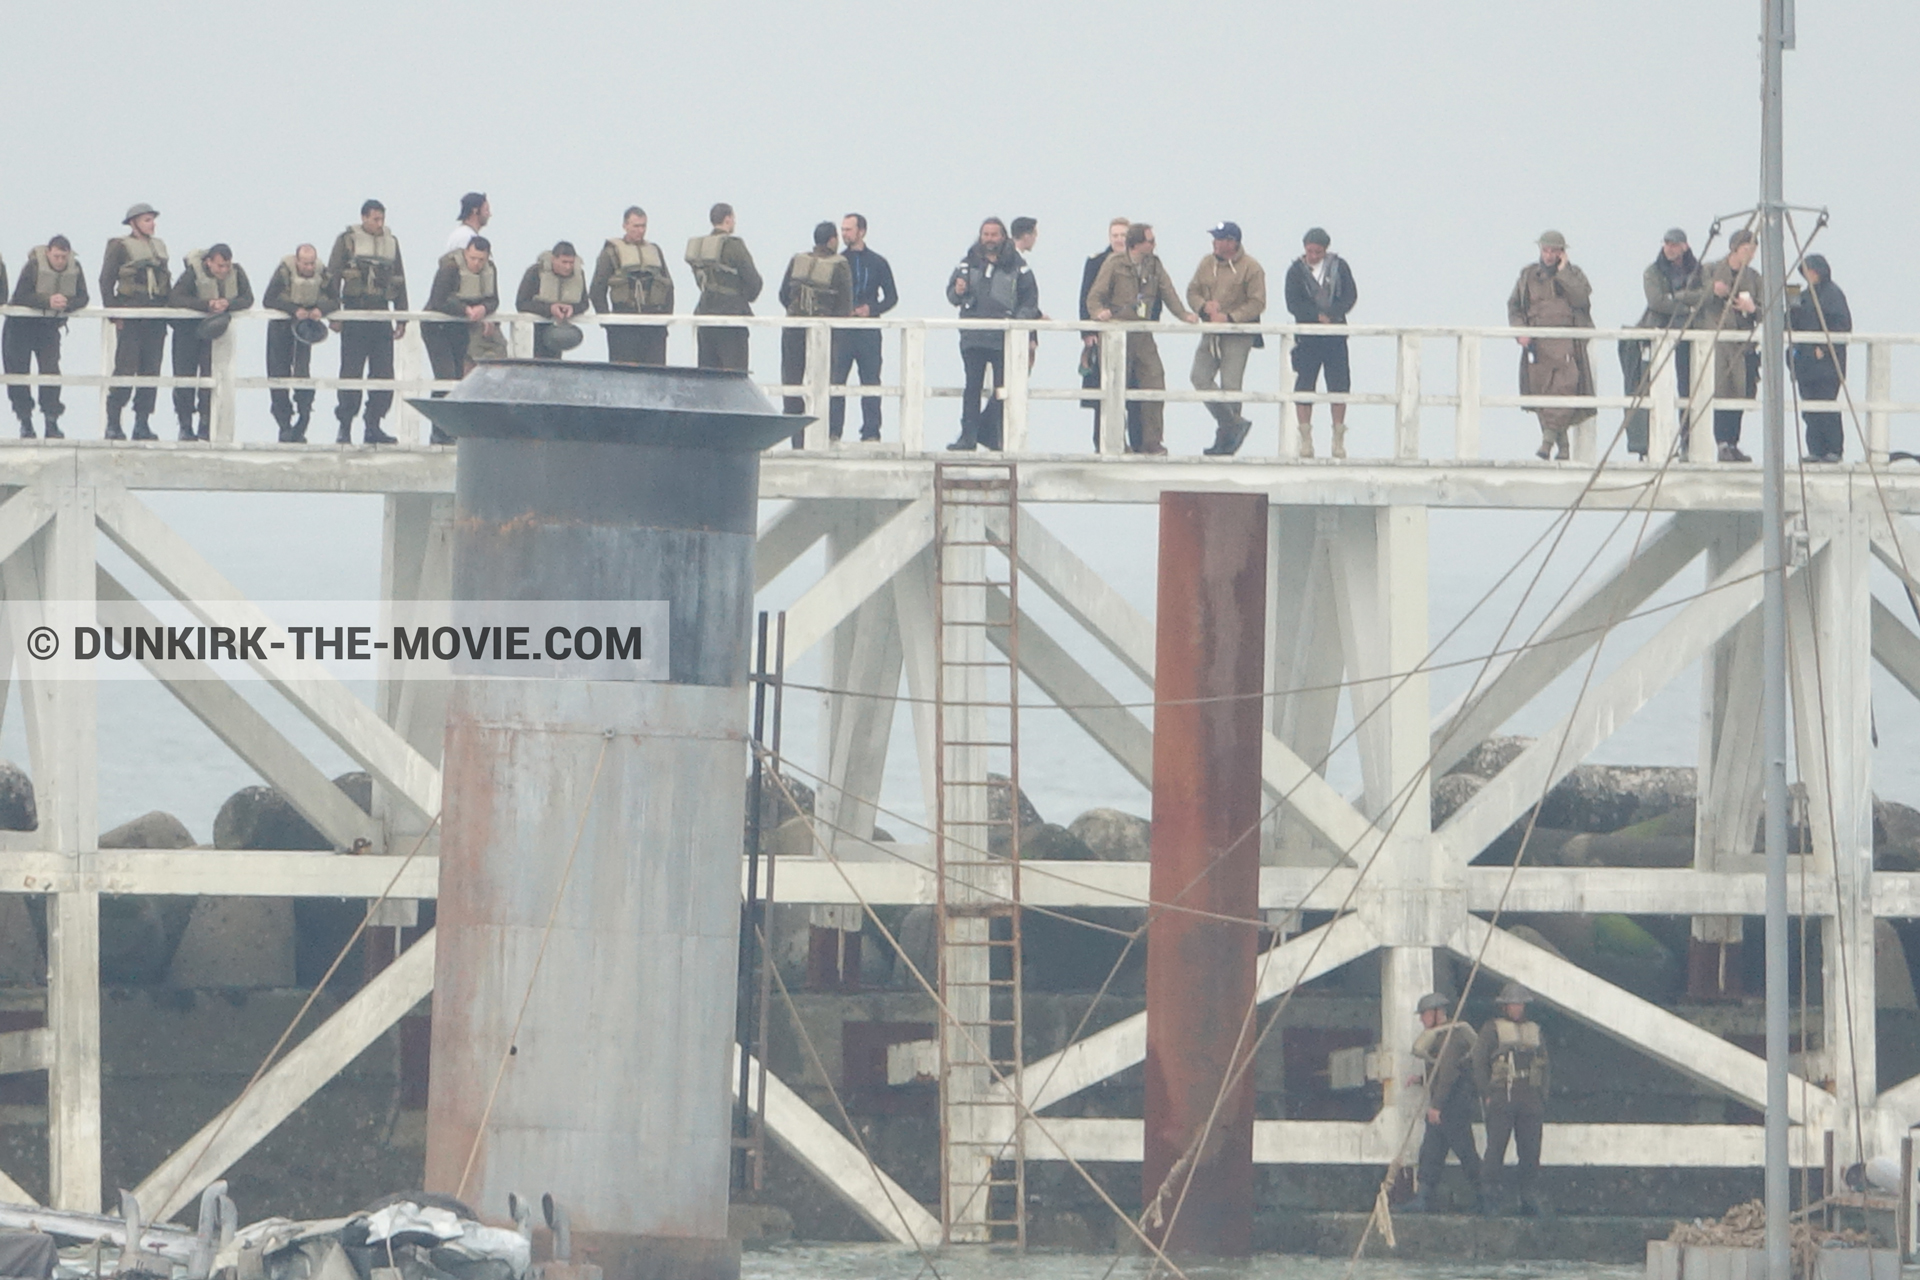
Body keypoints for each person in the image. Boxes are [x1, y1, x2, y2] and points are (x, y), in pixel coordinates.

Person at [1085, 223, 1197, 455]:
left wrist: (1184, 314)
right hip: (1117, 333)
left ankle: (1152, 440)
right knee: (1116, 385)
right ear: (1136, 244)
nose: (1154, 245)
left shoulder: (1154, 265)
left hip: (1143, 334)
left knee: (1154, 381)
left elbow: (1168, 291)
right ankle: (1115, 440)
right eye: (1150, 241)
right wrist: (1098, 313)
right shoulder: (1114, 264)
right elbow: (1094, 296)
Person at [945, 217, 1040, 452]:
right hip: (973, 337)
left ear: (1003, 236)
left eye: (994, 234)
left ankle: (995, 436)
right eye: (985, 234)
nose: (989, 239)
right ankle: (968, 438)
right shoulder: (967, 263)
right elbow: (951, 296)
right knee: (972, 388)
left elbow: (1030, 300)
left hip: (1003, 339)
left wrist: (1018, 325)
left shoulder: (1018, 266)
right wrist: (957, 292)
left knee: (1003, 390)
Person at [1507, 230, 1595, 461]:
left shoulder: (1574, 275)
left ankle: (1547, 442)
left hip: (1567, 345)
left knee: (1565, 390)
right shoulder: (1528, 276)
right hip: (1538, 346)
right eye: (1545, 250)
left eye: (1553, 251)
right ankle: (1563, 447)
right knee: (1543, 393)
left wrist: (1563, 272)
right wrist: (1520, 332)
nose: (1548, 255)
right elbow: (1514, 307)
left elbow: (1581, 299)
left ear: (1562, 253)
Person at [327, 198, 408, 445]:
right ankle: (345, 426)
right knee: (351, 373)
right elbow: (333, 276)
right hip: (354, 314)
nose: (379, 223)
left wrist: (402, 316)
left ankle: (373, 425)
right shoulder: (347, 241)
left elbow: (399, 278)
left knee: (383, 374)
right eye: (375, 219)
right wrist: (335, 313)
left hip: (381, 314)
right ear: (364, 218)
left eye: (382, 219)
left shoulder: (391, 243)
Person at [1621, 228, 1706, 460]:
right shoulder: (1653, 271)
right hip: (1659, 336)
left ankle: (1687, 442)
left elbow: (1705, 296)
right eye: (1667, 243)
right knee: (1654, 387)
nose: (1669, 248)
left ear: (1685, 246)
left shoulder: (1698, 270)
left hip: (1688, 336)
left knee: (1688, 388)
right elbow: (1656, 302)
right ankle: (1651, 445)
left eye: (1674, 244)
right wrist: (1688, 304)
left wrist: (1677, 299)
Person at [1188, 220, 1267, 457]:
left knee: (1231, 388)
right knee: (1199, 378)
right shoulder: (1206, 263)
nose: (1214, 242)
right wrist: (1203, 306)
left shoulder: (1251, 267)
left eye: (1220, 238)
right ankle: (1233, 425)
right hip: (1211, 333)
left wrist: (1230, 317)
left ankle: (1226, 441)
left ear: (1232, 243)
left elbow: (1258, 303)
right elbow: (1192, 291)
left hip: (1238, 334)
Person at [1473, 982, 1550, 1216]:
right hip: (1501, 1095)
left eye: (1520, 1004)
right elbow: (1479, 1062)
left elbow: (1546, 1065)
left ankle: (1528, 1195)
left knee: (1530, 1150)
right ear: (1505, 1006)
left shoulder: (1535, 1030)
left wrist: (1541, 1097)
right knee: (1496, 1148)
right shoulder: (1491, 1029)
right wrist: (1487, 1092)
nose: (1517, 1008)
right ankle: (1489, 1195)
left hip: (1529, 1096)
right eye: (1513, 1004)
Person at [1283, 228, 1359, 458]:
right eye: (1309, 251)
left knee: (1339, 385)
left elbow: (1350, 296)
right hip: (1307, 337)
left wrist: (1334, 315)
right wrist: (1316, 317)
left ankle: (1338, 438)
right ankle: (1306, 439)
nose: (1313, 255)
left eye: (1318, 251)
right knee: (1305, 385)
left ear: (1325, 250)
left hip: (1335, 336)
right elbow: (1293, 303)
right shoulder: (1295, 271)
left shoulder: (1339, 267)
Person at [166, 244, 254, 441]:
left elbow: (248, 298)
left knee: (210, 376)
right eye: (220, 266)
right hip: (187, 332)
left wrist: (228, 304)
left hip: (213, 334)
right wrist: (206, 305)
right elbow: (175, 298)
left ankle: (205, 424)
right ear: (209, 262)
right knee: (184, 377)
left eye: (227, 266)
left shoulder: (237, 273)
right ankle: (185, 425)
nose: (224, 271)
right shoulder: (192, 274)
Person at [1404, 993, 1482, 1214]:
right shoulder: (1441, 1037)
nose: (1422, 1020)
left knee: (1466, 1152)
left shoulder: (1451, 1037)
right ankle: (1423, 1198)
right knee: (1430, 1152)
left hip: (1453, 1106)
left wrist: (1436, 1106)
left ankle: (1486, 1197)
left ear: (1437, 1013)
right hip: (1446, 1104)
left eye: (1425, 1014)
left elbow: (1448, 1073)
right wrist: (1421, 1080)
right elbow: (1440, 1072)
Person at [100, 202, 171, 441]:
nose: (152, 224)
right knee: (125, 368)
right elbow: (106, 280)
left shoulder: (159, 248)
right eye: (146, 220)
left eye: (152, 219)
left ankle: (142, 422)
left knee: (151, 371)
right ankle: (113, 423)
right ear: (133, 223)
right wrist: (114, 313)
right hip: (131, 314)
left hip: (155, 317)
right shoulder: (119, 247)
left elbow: (165, 281)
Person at [4, 236, 87, 439]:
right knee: (18, 374)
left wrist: (67, 303)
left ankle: (51, 421)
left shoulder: (75, 268)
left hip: (48, 329)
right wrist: (46, 300)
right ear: (49, 252)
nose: (60, 261)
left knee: (50, 373)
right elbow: (20, 296)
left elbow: (84, 297)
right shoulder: (33, 267)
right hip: (20, 328)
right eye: (56, 256)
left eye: (63, 257)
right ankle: (25, 422)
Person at [778, 222, 853, 437]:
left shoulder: (797, 260)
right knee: (821, 387)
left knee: (792, 385)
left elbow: (783, 295)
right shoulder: (840, 265)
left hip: (793, 330)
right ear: (832, 240)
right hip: (823, 333)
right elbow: (845, 307)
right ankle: (820, 437)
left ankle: (796, 440)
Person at [1700, 229, 1762, 463]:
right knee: (1720, 390)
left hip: (1742, 345)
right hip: (1717, 343)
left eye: (1754, 250)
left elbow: (1769, 309)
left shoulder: (1754, 278)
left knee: (1740, 392)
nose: (1751, 255)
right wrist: (1713, 291)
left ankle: (1733, 443)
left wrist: (1752, 309)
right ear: (1734, 249)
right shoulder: (1711, 270)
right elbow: (1695, 296)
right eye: (1747, 249)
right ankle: (1721, 443)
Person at [262, 244, 335, 442]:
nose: (309, 268)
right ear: (297, 261)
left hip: (305, 330)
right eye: (305, 264)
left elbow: (336, 300)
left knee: (302, 373)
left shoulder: (323, 274)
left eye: (312, 263)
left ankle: (303, 420)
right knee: (278, 373)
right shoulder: (284, 272)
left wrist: (321, 309)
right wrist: (293, 309)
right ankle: (284, 425)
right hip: (281, 328)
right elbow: (268, 299)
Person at [834, 213, 897, 442]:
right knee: (836, 381)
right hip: (842, 331)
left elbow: (892, 297)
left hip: (869, 332)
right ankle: (833, 431)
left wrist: (871, 309)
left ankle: (871, 432)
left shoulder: (878, 262)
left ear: (862, 231)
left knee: (870, 381)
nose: (844, 234)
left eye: (848, 229)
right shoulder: (838, 261)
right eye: (842, 229)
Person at [590, 206, 674, 366]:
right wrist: (608, 323)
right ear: (625, 226)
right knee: (624, 375)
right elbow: (596, 290)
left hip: (653, 325)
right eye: (636, 226)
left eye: (643, 226)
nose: (640, 231)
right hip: (623, 324)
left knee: (656, 375)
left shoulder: (655, 251)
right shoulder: (611, 252)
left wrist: (665, 319)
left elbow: (668, 286)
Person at [687, 202, 762, 372]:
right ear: (728, 219)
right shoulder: (734, 245)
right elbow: (754, 282)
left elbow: (700, 281)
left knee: (709, 378)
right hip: (731, 319)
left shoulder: (700, 248)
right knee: (734, 376)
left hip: (705, 315)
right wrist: (744, 296)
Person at [1791, 254, 1851, 462]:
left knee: (1827, 406)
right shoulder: (1803, 295)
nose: (1810, 275)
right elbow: (1790, 323)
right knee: (1809, 409)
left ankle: (1834, 450)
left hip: (1827, 364)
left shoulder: (1833, 294)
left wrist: (1824, 348)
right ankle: (1815, 450)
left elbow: (1842, 325)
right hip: (1805, 363)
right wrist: (1790, 303)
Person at [427, 237, 504, 402]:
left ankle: (448, 423)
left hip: (461, 327)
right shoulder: (450, 268)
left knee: (458, 377)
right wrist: (465, 309)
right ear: (466, 253)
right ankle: (438, 425)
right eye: (473, 258)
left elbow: (494, 300)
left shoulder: (490, 270)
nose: (476, 263)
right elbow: (438, 300)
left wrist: (483, 309)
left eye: (481, 260)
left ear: (488, 257)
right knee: (445, 377)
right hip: (437, 327)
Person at [1080, 217, 1131, 449]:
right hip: (1100, 334)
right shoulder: (1096, 262)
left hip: (1129, 334)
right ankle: (1099, 440)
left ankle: (1129, 440)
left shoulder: (1139, 262)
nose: (1119, 239)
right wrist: (1087, 332)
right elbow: (1085, 298)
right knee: (1101, 390)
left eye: (1123, 235)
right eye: (1115, 235)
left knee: (1131, 389)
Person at [516, 241, 587, 359]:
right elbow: (521, 303)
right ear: (554, 259)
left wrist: (572, 309)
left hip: (559, 334)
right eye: (564, 262)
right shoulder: (535, 273)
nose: (568, 267)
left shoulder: (578, 275)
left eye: (571, 263)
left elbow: (584, 303)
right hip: (535, 331)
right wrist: (550, 309)